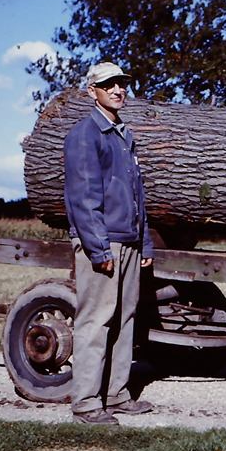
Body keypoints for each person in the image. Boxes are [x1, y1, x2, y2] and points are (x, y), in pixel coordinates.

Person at [64, 62, 155, 425]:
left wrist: (144, 243)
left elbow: (137, 196)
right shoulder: (85, 135)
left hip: (128, 242)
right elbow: (84, 199)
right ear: (92, 91)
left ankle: (117, 395)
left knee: (125, 319)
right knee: (96, 321)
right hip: (103, 245)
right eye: (109, 85)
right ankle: (86, 403)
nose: (118, 90)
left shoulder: (123, 134)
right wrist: (99, 250)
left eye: (121, 84)